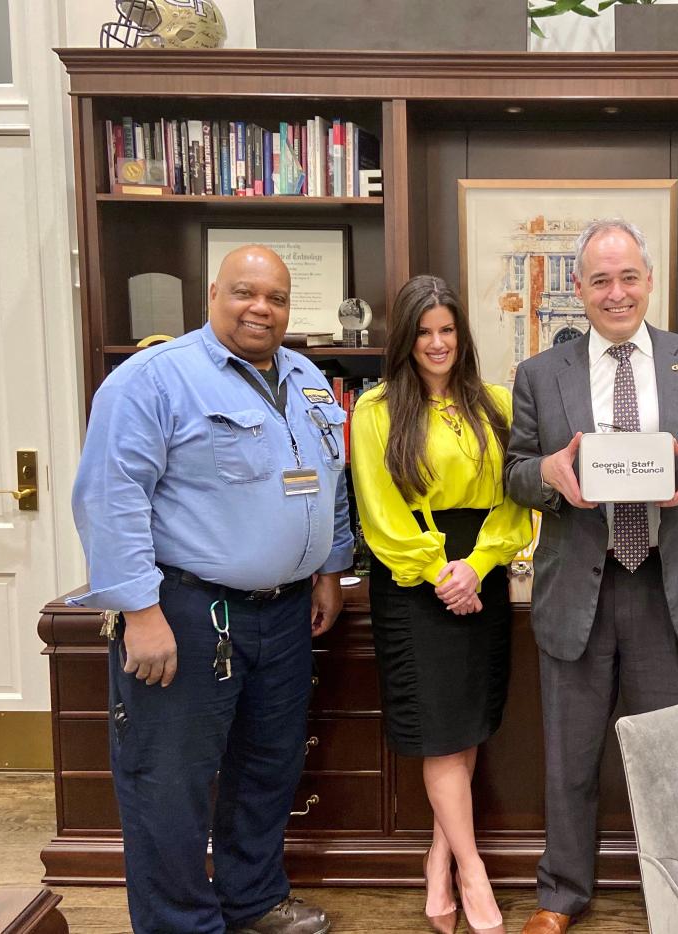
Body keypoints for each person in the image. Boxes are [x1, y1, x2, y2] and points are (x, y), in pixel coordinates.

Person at [69, 245, 353, 934]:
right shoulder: (153, 380)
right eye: (244, 293)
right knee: (170, 783)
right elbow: (110, 499)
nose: (261, 308)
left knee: (268, 768)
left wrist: (329, 568)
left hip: (286, 614)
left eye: (277, 298)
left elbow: (330, 479)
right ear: (211, 296)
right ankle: (179, 923)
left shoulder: (309, 377)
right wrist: (140, 610)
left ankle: (252, 898)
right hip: (187, 612)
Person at [504, 219, 678, 933]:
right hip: (578, 587)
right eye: (600, 280)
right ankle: (560, 895)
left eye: (628, 276)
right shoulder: (539, 375)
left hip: (669, 591)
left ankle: (674, 900)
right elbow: (516, 470)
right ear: (578, 289)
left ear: (649, 280)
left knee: (671, 766)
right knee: (570, 760)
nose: (617, 293)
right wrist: (546, 475)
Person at [350, 275, 532, 934]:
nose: (437, 343)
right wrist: (437, 571)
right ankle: (473, 872)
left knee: (466, 723)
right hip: (412, 581)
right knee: (440, 732)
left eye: (447, 330)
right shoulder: (374, 410)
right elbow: (380, 511)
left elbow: (514, 498)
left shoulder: (496, 403)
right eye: (423, 332)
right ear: (405, 339)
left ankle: (439, 857)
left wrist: (478, 566)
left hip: (480, 570)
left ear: (462, 334)